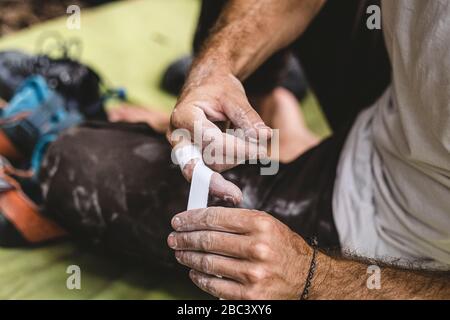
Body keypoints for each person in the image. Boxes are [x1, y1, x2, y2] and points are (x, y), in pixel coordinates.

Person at [1, 0, 449, 299]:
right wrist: (213, 70)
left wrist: (313, 276)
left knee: (77, 162)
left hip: (399, 245)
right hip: (398, 102)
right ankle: (274, 105)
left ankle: (276, 132)